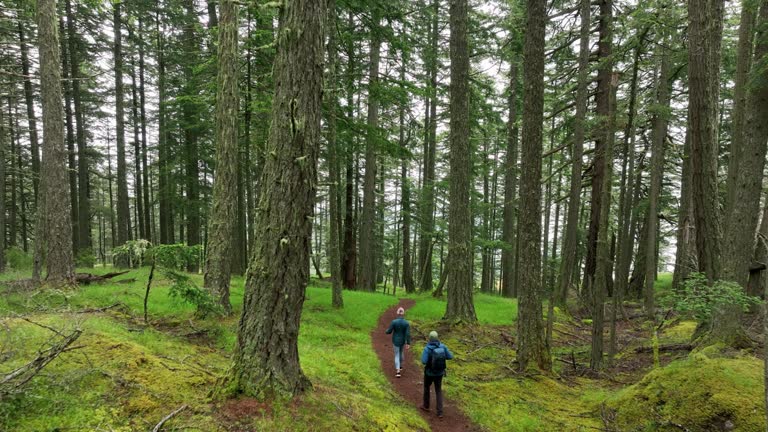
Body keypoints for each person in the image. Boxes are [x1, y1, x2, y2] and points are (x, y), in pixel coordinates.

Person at [420, 330, 454, 418]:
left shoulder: (427, 349)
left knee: (427, 387)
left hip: (429, 373)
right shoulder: (443, 347)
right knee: (438, 390)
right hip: (440, 373)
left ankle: (426, 406)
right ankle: (440, 412)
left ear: (429, 338)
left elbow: (423, 361)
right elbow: (450, 356)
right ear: (437, 338)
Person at [385, 307, 411, 378]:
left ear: (397, 313)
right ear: (403, 313)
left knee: (396, 354)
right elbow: (408, 334)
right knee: (401, 352)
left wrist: (386, 331)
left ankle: (398, 371)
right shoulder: (406, 323)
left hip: (395, 340)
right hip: (402, 341)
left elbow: (389, 331)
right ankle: (400, 366)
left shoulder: (394, 322)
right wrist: (408, 343)